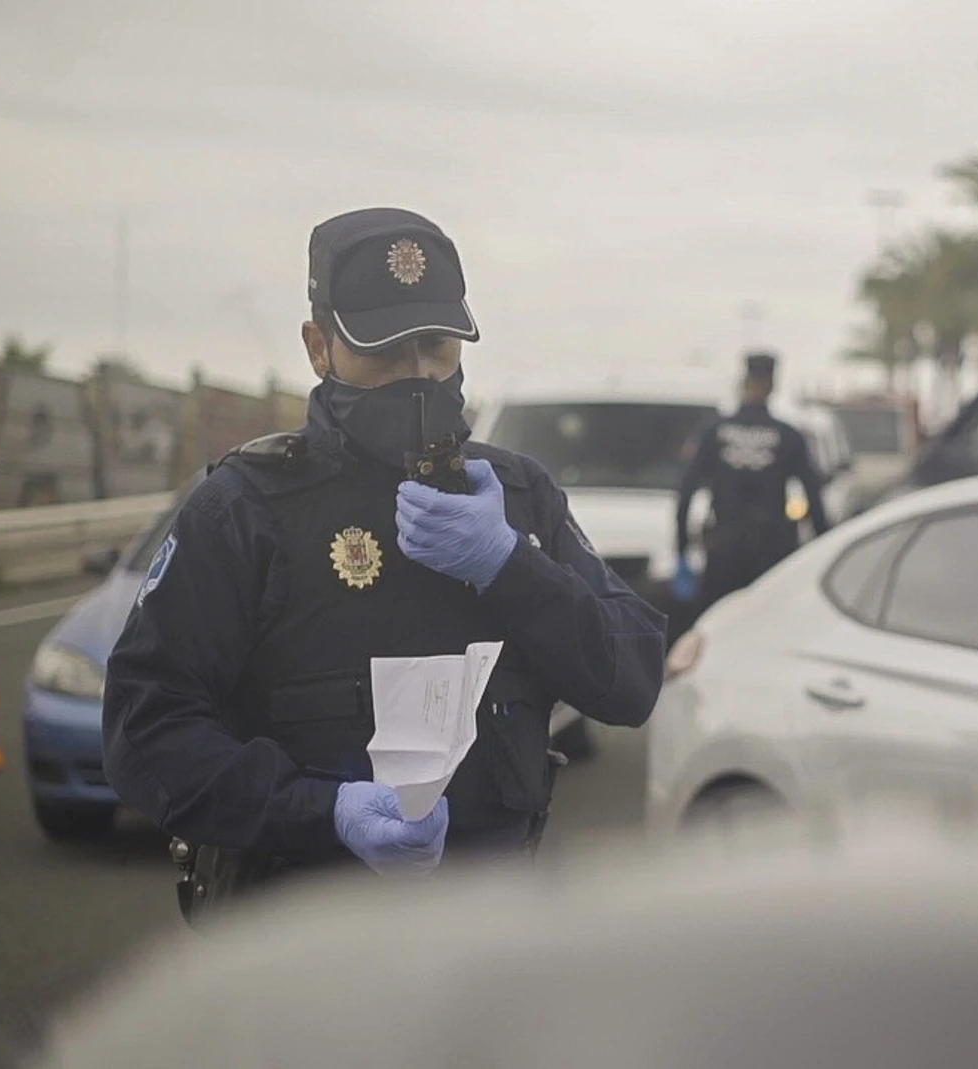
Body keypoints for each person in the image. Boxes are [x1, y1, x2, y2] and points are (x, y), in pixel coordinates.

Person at [101, 207, 666, 915]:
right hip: (299, 937)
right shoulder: (245, 509)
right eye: (385, 350)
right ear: (319, 346)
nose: (418, 374)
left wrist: (509, 567)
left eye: (436, 345)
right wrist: (322, 810)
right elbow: (143, 734)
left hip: (491, 935)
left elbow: (633, 678)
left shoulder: (518, 496)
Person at [674, 350, 831, 617]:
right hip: (772, 552)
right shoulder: (787, 435)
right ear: (772, 385)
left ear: (744, 382)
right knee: (767, 625)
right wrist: (824, 552)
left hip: (725, 549)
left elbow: (686, 491)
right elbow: (813, 498)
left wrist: (681, 550)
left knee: (717, 625)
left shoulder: (714, 432)